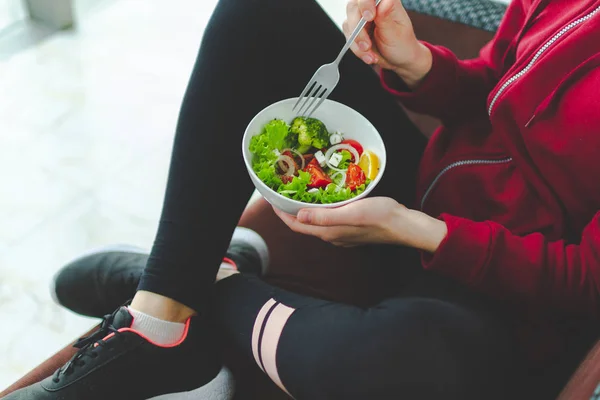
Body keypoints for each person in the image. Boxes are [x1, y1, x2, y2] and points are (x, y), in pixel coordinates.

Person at [4, 0, 600, 398]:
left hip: (510, 304)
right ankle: (160, 324)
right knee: (261, 12)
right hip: (432, 191)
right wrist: (418, 65)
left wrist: (415, 231)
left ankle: (205, 282)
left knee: (394, 366)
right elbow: (495, 86)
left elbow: (589, 279)